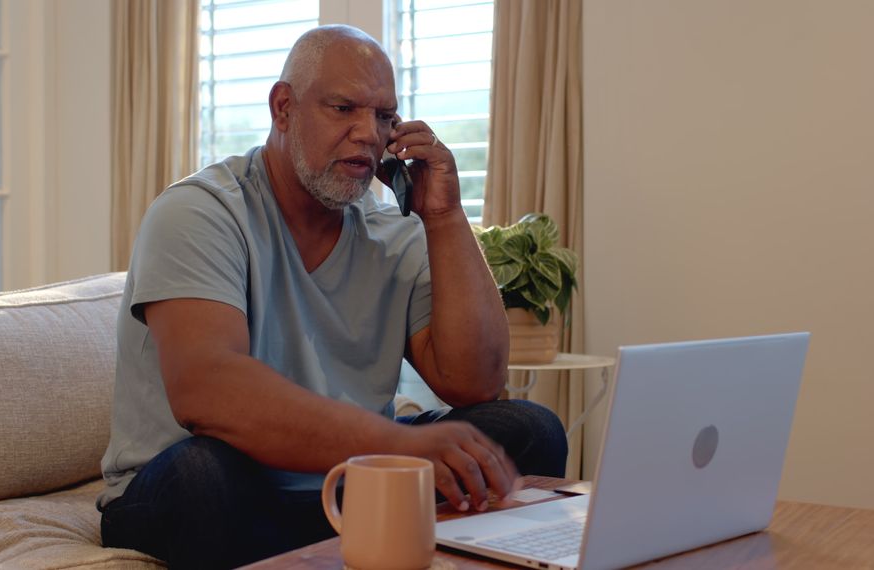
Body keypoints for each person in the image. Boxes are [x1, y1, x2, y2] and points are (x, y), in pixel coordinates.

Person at [97, 24, 568, 569]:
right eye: (344, 108)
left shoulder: (396, 231)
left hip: (349, 483)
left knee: (528, 430)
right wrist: (401, 448)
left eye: (384, 116)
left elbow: (474, 381)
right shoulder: (201, 212)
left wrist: (445, 216)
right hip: (212, 485)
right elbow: (208, 393)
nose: (369, 133)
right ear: (283, 109)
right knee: (200, 476)